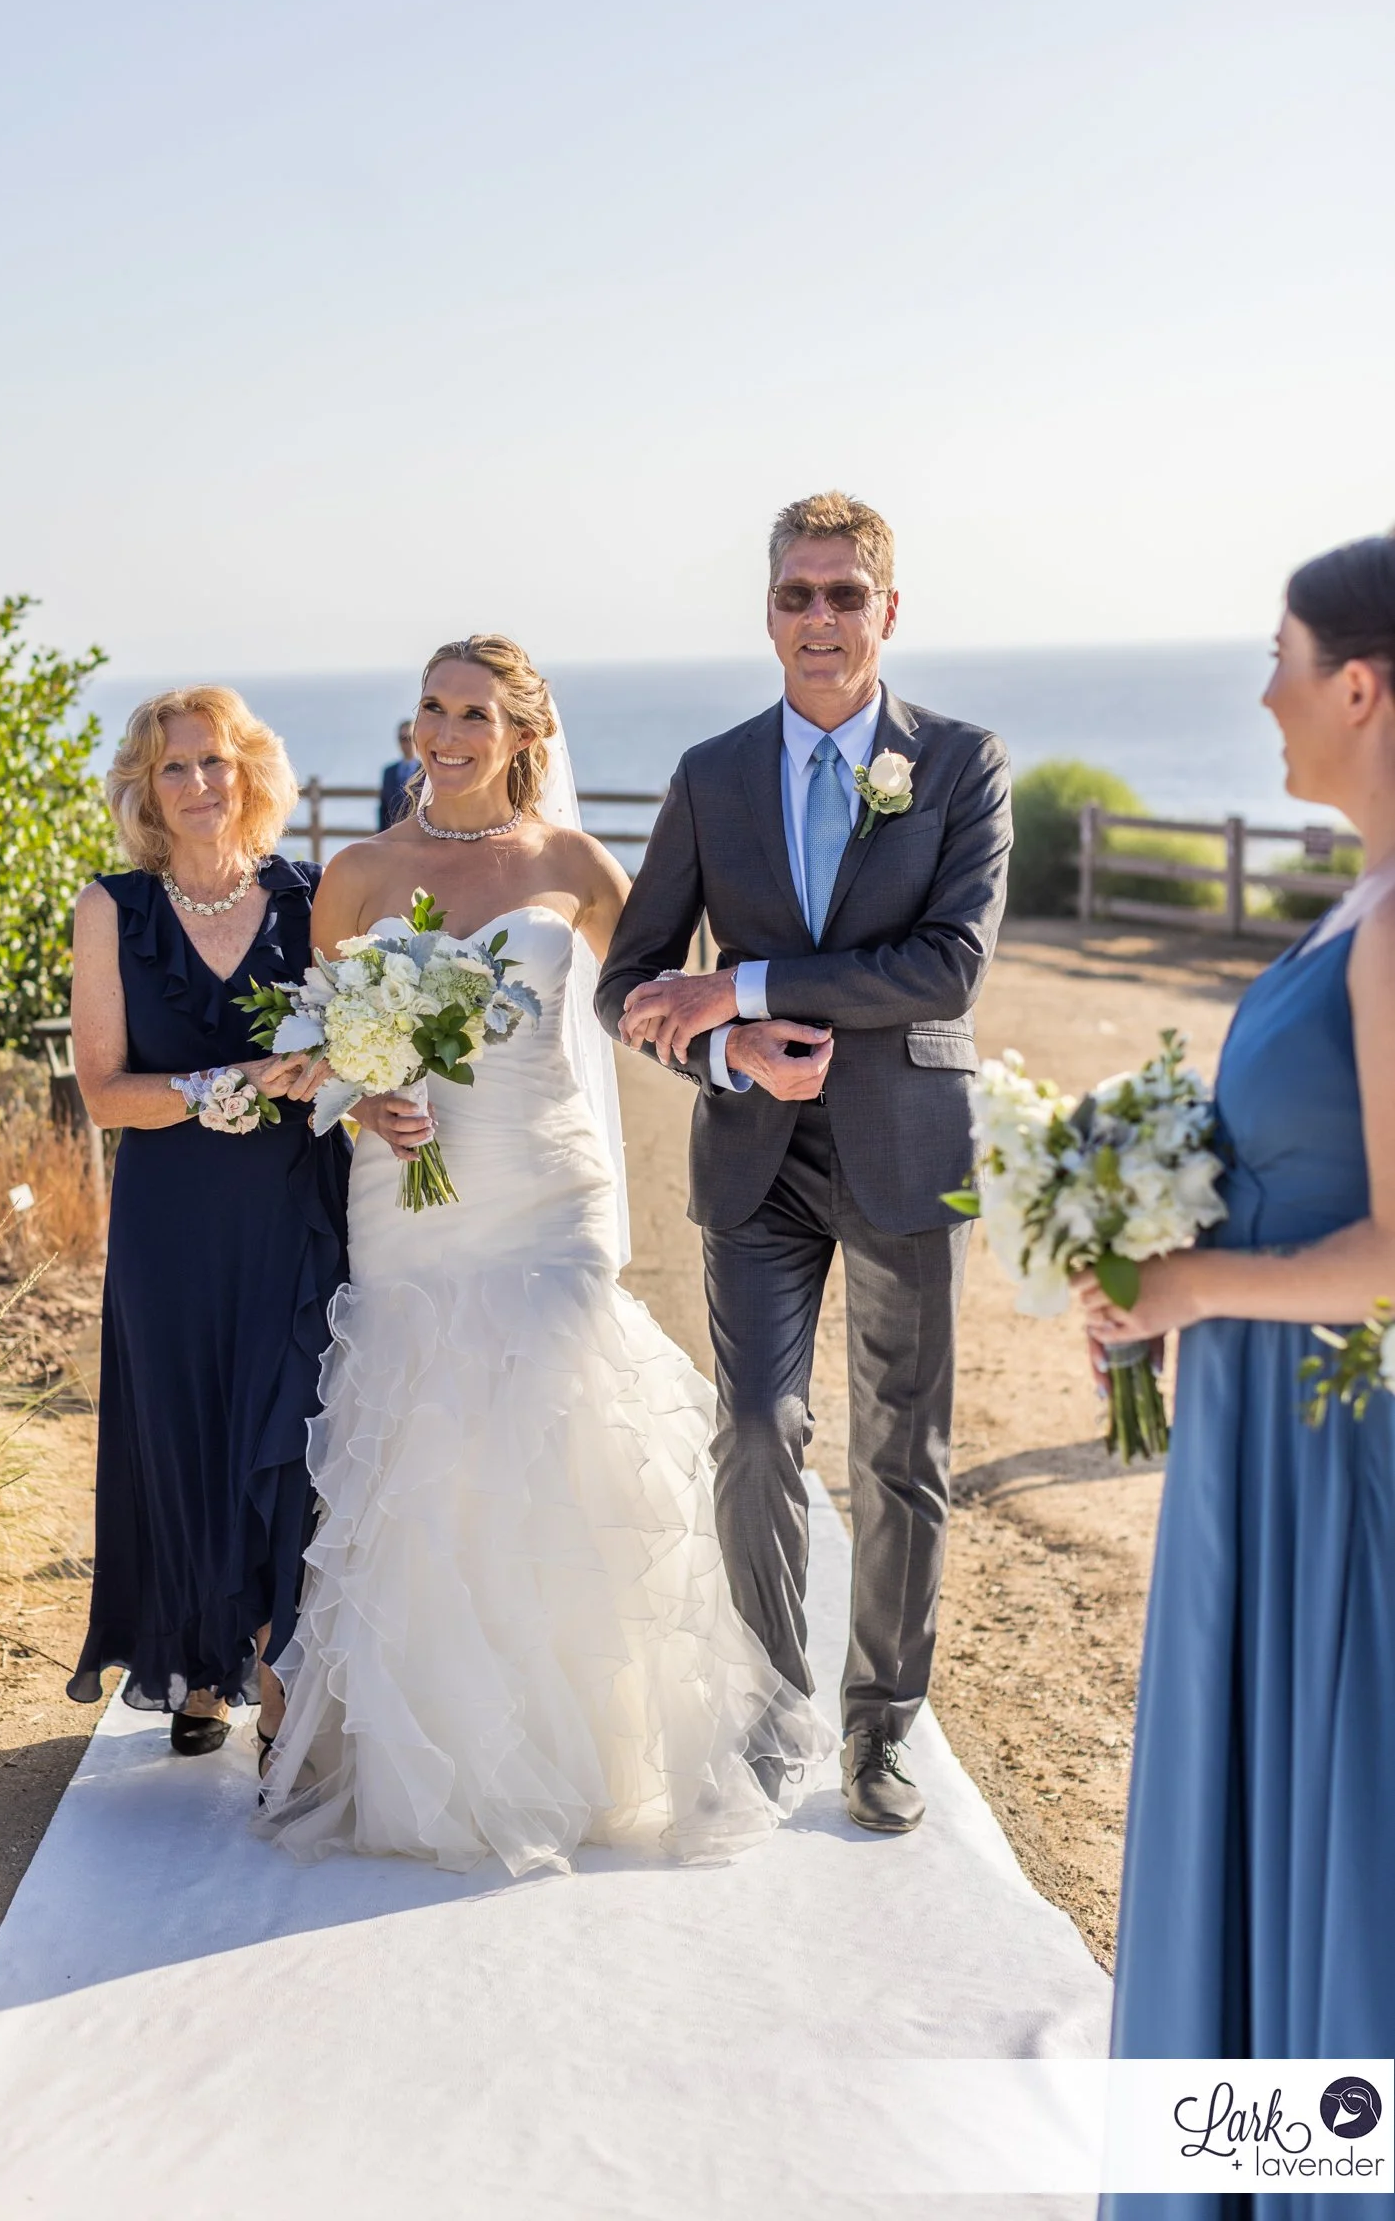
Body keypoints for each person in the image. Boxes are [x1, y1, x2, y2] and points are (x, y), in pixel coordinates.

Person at [257, 634, 834, 1875]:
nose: (444, 733)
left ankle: (592, 1751)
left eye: (473, 713)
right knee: (426, 1448)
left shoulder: (572, 865)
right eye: (431, 708)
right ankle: (442, 1760)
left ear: (524, 734)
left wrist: (737, 1047)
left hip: (547, 1185)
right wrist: (365, 1100)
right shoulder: (355, 874)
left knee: (560, 1428)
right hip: (409, 1196)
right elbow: (320, 1047)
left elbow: (649, 1003)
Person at [596, 491, 1012, 1835]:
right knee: (756, 1426)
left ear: (888, 611)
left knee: (900, 1449)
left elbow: (947, 966)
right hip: (754, 1156)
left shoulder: (960, 764)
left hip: (908, 1146)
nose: (819, 617)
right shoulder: (711, 774)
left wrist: (746, 985)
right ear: (767, 611)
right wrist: (725, 1051)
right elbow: (629, 984)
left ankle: (879, 1726)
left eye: (844, 594)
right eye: (796, 594)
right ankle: (771, 1700)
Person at [1083, 535, 1395, 2221]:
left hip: (1333, 1450)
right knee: (1270, 1812)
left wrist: (1190, 1282)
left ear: (1359, 686)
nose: (1262, 693)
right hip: (1258, 1423)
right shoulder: (1357, 901)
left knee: (1333, 1821)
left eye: (1279, 657)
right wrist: (1154, 1260)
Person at [69, 685, 351, 1760]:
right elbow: (104, 1092)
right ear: (146, 791)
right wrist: (221, 1085)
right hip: (172, 1224)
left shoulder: (313, 897)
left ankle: (278, 1673)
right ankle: (199, 1664)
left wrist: (330, 1068)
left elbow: (356, 1048)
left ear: (249, 773)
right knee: (185, 1431)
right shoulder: (112, 909)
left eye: (213, 762)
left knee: (289, 1430)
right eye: (172, 768)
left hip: (293, 1209)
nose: (196, 784)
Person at [378, 717, 421, 832]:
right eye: (402, 739)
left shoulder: (426, 772)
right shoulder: (389, 772)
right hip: (392, 834)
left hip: (416, 834)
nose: (406, 743)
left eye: (409, 738)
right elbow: (383, 808)